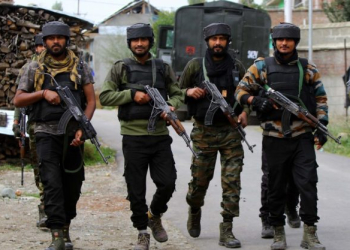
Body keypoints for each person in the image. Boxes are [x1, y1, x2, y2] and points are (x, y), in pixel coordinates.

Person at [235, 22, 327, 250]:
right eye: (279, 39)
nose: (284, 43)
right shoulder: (261, 67)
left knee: (307, 182)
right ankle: (278, 231)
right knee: (275, 185)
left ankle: (310, 233)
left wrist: (322, 126)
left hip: (302, 136)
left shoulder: (307, 69)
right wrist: (255, 101)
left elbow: (321, 100)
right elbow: (240, 91)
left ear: (296, 42)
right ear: (274, 41)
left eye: (289, 40)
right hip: (274, 137)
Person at [99, 23, 183, 250]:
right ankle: (142, 231)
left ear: (150, 42)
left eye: (143, 40)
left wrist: (171, 107)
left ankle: (154, 214)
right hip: (133, 136)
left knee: (168, 182)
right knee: (135, 188)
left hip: (159, 136)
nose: (139, 44)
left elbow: (177, 95)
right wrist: (131, 95)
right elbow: (105, 96)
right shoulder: (121, 68)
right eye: (135, 41)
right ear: (130, 44)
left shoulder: (163, 68)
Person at [14, 21, 96, 250]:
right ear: (45, 41)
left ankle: (67, 226)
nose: (55, 42)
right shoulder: (33, 68)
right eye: (51, 38)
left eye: (60, 37)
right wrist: (42, 93)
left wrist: (84, 127)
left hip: (73, 133)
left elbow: (90, 101)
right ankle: (57, 233)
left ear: (66, 40)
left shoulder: (80, 67)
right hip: (44, 132)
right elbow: (18, 99)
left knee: (73, 183)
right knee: (51, 183)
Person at [179, 23, 247, 248]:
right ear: (207, 41)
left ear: (228, 41)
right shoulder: (195, 66)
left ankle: (227, 229)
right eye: (214, 39)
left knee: (232, 181)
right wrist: (188, 91)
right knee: (199, 182)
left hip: (230, 132)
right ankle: (195, 208)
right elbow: (175, 93)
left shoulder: (237, 66)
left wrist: (245, 111)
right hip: (203, 132)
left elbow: (248, 93)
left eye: (222, 38)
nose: (218, 42)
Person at [12, 33, 48, 229]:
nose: (44, 49)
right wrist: (17, 122)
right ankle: (44, 207)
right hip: (35, 123)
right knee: (40, 166)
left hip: (56, 123)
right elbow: (20, 97)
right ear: (36, 48)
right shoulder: (30, 68)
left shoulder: (60, 65)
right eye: (41, 46)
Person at [260, 149, 301, 239]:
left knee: (294, 176)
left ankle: (290, 207)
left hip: (296, 140)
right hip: (272, 139)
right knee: (269, 178)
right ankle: (267, 218)